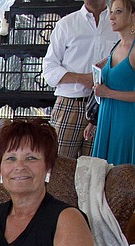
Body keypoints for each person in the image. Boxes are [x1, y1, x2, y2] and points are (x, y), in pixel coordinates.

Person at [42, 0, 117, 159]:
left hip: (106, 106)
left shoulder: (118, 23)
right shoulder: (67, 24)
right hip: (70, 105)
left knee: (97, 168)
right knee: (58, 165)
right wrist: (83, 79)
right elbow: (49, 69)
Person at [87, 0, 135, 165]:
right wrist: (95, 121)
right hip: (108, 120)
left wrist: (109, 93)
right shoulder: (116, 47)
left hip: (127, 122)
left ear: (133, 15)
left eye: (119, 12)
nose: (112, 17)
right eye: (112, 12)